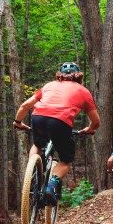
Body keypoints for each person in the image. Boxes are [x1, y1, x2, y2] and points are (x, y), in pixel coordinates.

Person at [12, 62, 100, 205]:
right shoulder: (83, 91)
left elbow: (25, 105)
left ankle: (33, 172)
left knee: (37, 144)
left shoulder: (48, 86)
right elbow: (96, 122)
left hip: (38, 117)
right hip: (61, 122)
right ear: (78, 76)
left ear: (60, 74)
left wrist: (17, 122)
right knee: (65, 160)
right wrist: (90, 129)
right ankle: (52, 185)